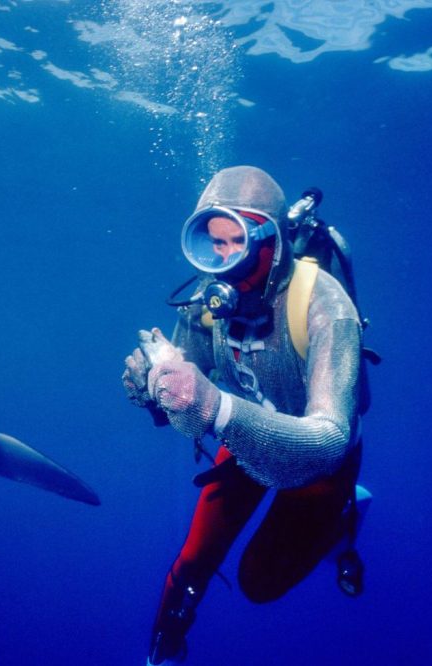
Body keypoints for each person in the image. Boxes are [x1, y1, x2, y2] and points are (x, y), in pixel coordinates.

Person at [122, 166, 366, 664]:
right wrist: (152, 389)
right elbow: (182, 398)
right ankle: (161, 654)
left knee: (259, 581)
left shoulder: (326, 305)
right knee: (191, 562)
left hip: (322, 468)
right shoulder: (205, 304)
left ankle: (345, 517)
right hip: (246, 436)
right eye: (215, 243)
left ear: (272, 242)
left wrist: (214, 407)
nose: (225, 260)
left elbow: (328, 440)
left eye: (240, 242)